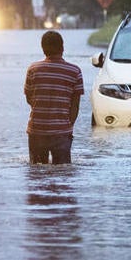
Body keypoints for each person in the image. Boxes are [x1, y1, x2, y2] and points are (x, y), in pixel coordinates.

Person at [24, 30, 84, 164]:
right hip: (61, 132)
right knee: (62, 173)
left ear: (43, 49)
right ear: (62, 47)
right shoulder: (74, 71)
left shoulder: (33, 69)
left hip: (36, 130)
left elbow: (29, 98)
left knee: (37, 173)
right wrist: (68, 127)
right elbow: (75, 105)